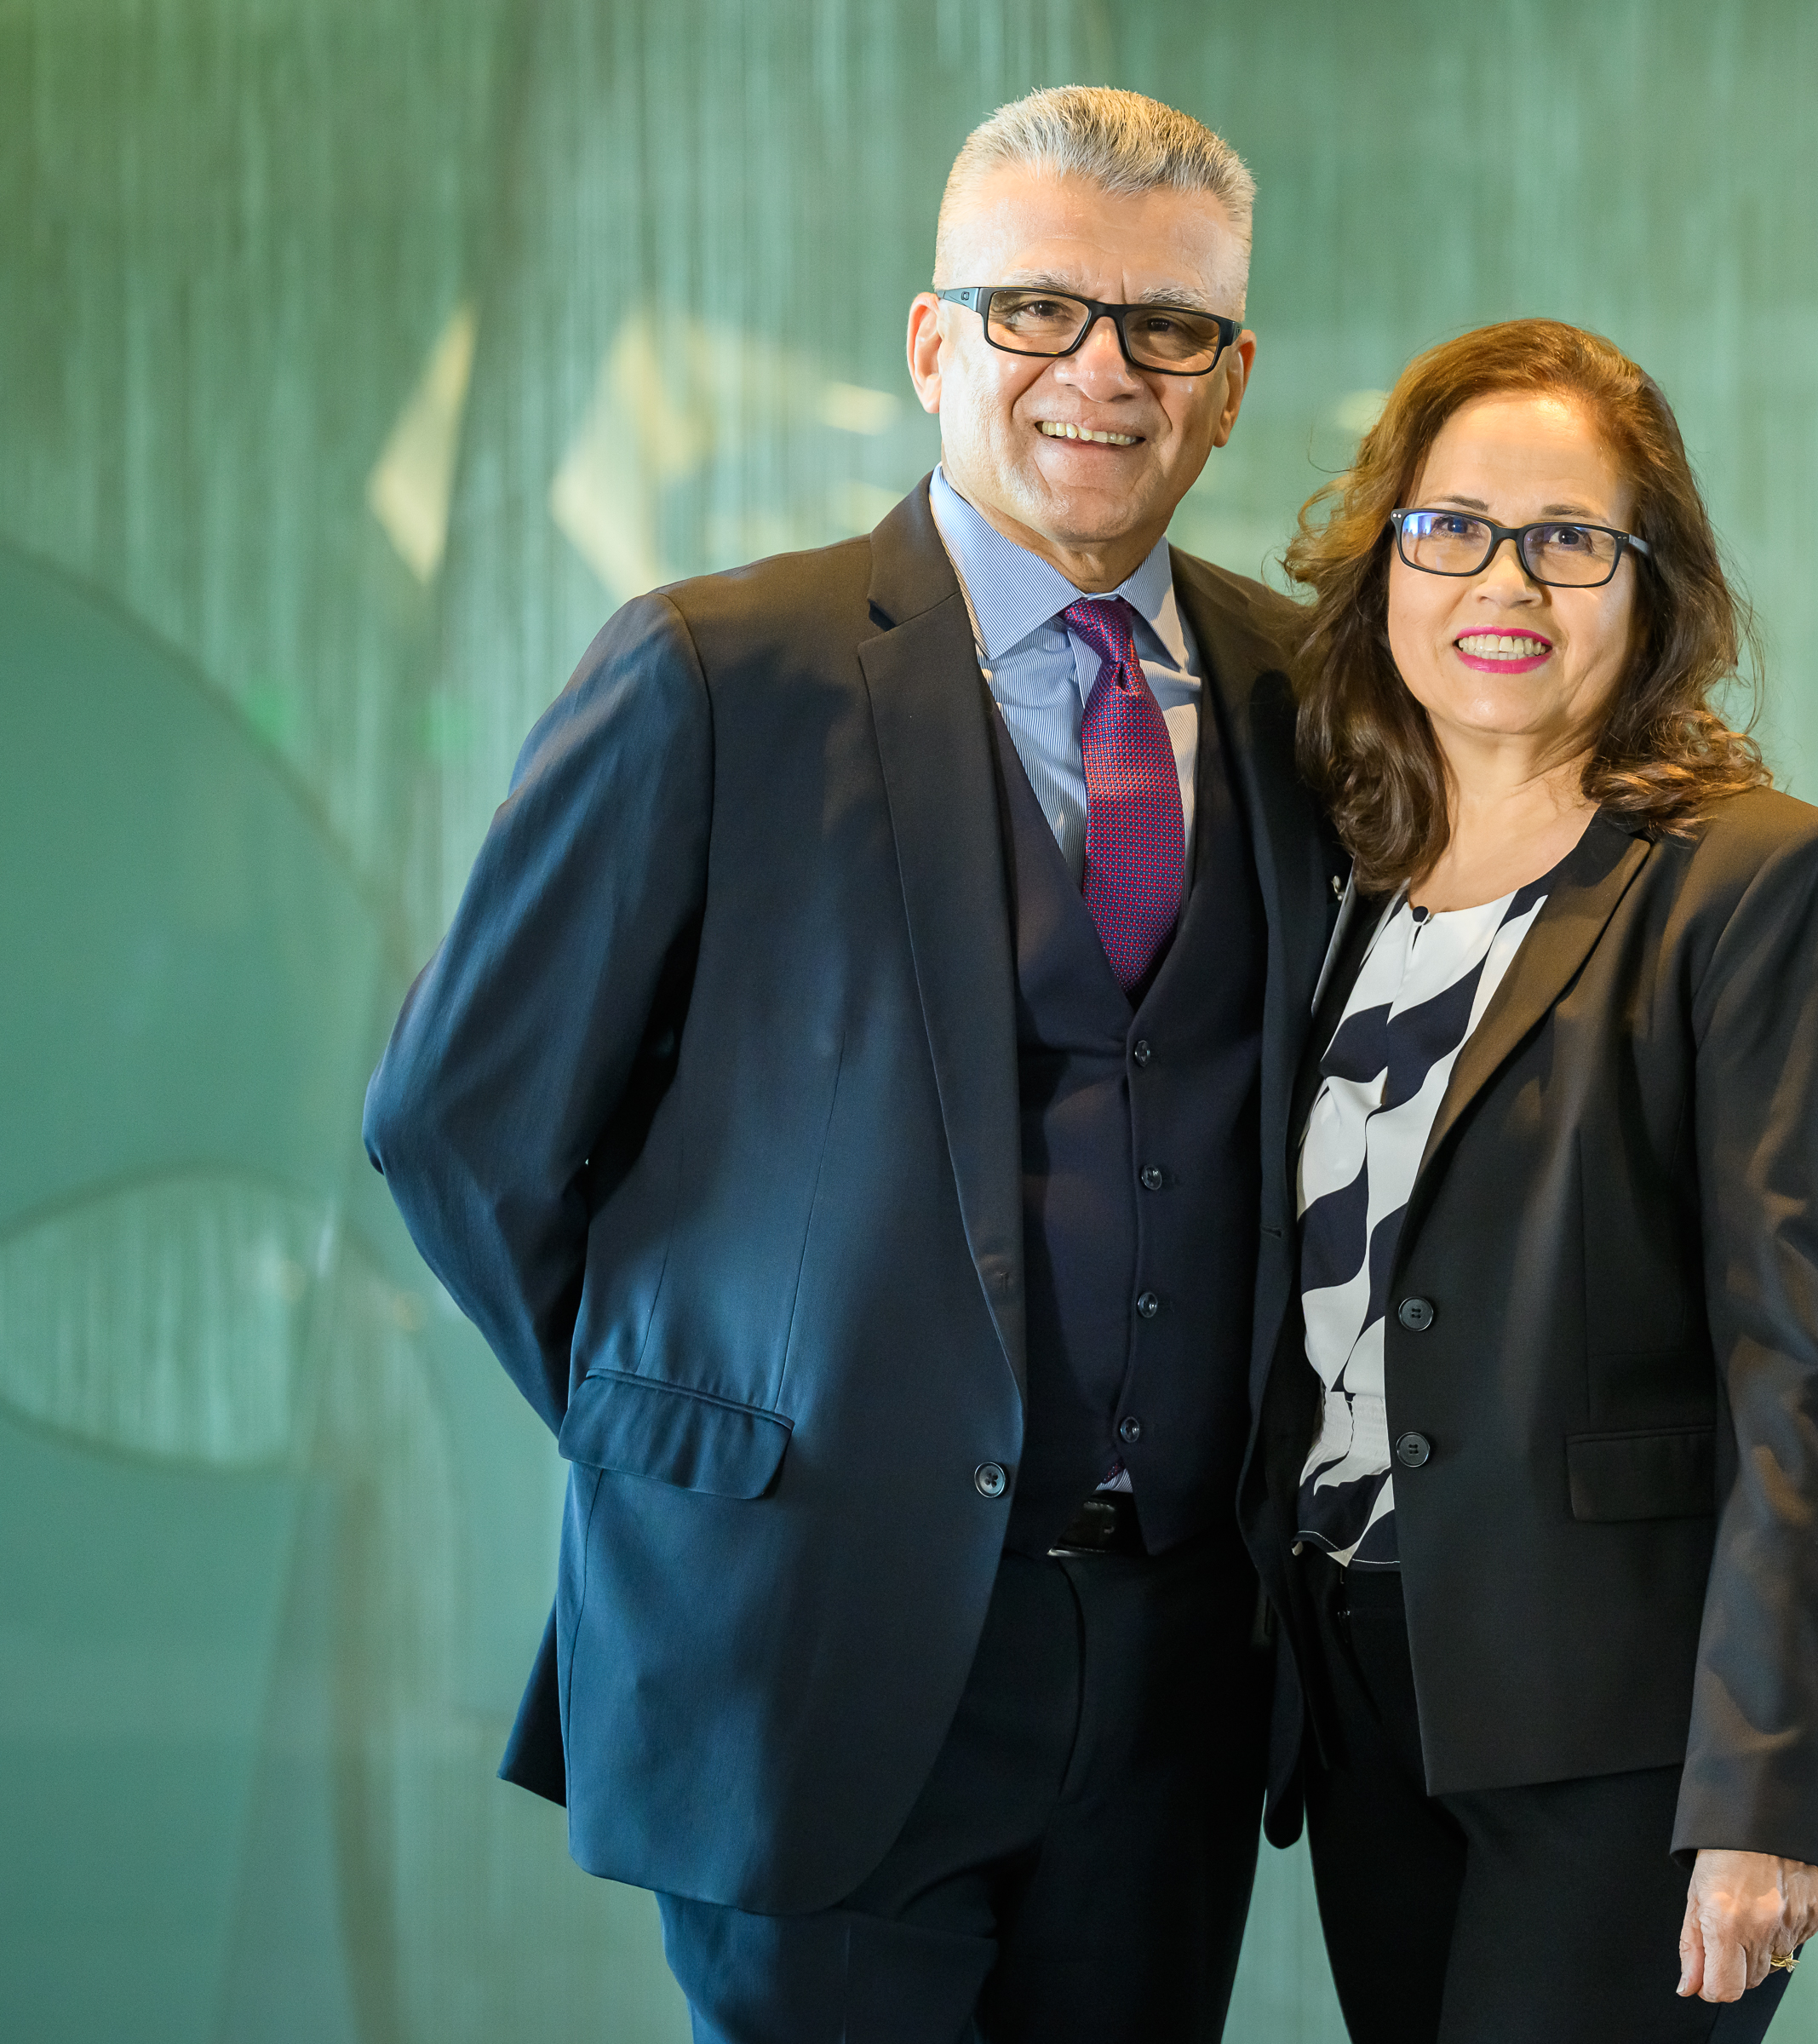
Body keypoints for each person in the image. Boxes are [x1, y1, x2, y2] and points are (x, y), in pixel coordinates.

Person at [363, 88, 1339, 2041]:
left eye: (1165, 329)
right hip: (810, 1636)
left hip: (1179, 1667)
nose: (1100, 370)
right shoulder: (716, 671)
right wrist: (719, 1420)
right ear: (930, 343)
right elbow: (459, 1124)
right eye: (1035, 309)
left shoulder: (1309, 694)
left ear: (1230, 385)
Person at [1246, 319, 1818, 2044]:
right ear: (1387, 558)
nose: (1507, 581)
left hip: (1630, 1722)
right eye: (1453, 526)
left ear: (1650, 582)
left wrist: (1769, 1782)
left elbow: (1808, 1365)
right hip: (1371, 1688)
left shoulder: (1760, 882)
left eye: (1571, 540)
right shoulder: (1353, 881)